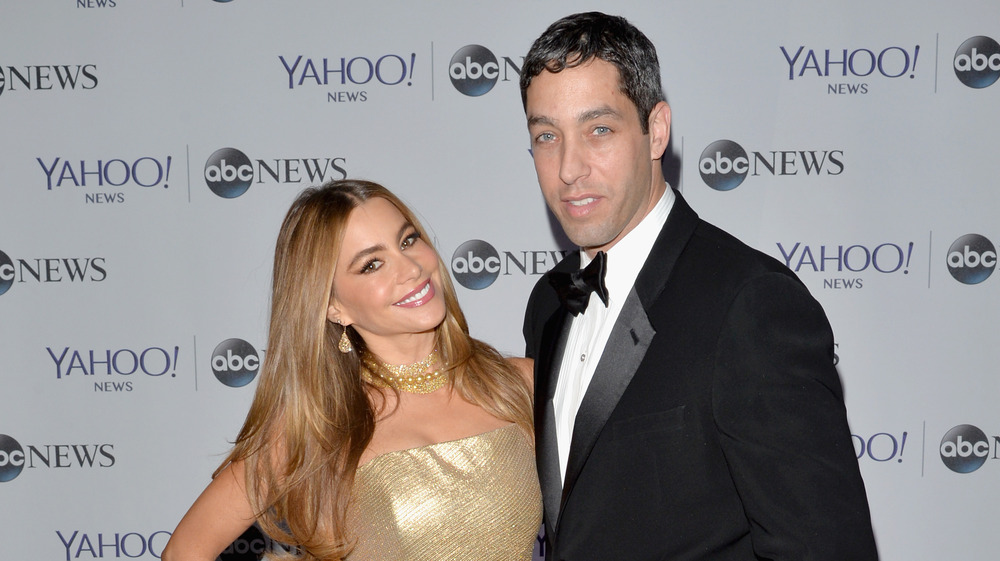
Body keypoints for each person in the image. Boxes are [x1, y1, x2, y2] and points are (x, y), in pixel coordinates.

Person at [519, 12, 878, 561]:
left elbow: (825, 548)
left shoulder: (751, 304)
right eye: (547, 136)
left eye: (598, 130)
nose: (569, 168)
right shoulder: (549, 301)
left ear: (655, 129)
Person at [162, 179, 541, 561]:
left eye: (408, 240)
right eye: (372, 264)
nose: (411, 268)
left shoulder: (520, 385)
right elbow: (184, 551)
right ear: (333, 307)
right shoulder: (317, 427)